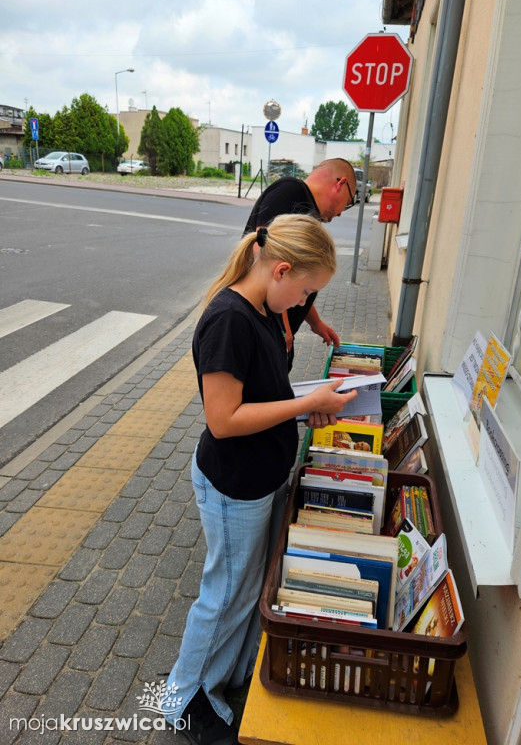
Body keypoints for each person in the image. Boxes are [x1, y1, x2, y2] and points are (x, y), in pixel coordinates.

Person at [164, 213, 358, 745]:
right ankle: (183, 699)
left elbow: (264, 391)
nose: (304, 302)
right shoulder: (229, 318)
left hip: (258, 478)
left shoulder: (266, 312)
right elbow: (223, 419)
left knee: (249, 588)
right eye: (306, 290)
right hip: (234, 484)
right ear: (281, 270)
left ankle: (220, 681)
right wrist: (303, 403)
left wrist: (306, 404)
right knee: (226, 592)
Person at [243, 158, 357, 369]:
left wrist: (315, 323)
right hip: (266, 330)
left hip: (273, 332)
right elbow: (267, 258)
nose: (341, 212)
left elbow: (297, 283)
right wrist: (282, 327)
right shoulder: (292, 193)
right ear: (340, 184)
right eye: (347, 202)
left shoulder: (305, 205)